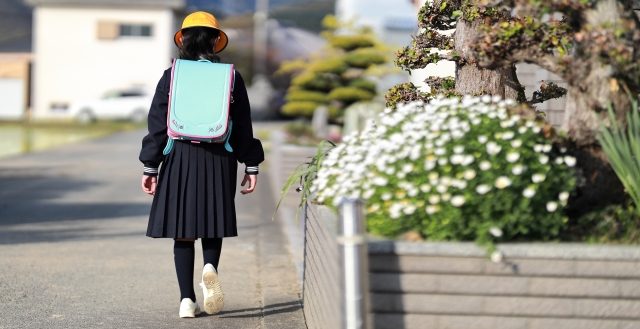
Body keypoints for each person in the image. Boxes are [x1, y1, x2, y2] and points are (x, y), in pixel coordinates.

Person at [138, 11, 264, 318]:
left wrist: (150, 166)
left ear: (183, 41)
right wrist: (251, 165)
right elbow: (243, 125)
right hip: (220, 156)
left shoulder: (172, 75)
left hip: (179, 155)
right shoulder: (231, 77)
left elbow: (157, 123)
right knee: (212, 223)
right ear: (214, 41)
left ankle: (186, 301)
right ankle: (209, 267)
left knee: (182, 231)